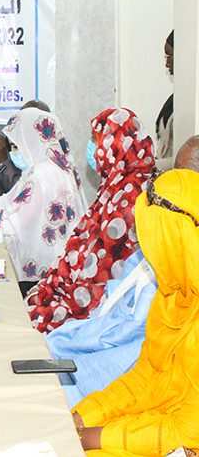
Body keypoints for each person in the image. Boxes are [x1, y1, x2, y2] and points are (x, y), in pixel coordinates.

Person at [47, 135, 199, 408]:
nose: (168, 182)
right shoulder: (160, 235)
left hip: (114, 372)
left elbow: (130, 349)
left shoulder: (175, 251)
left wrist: (64, 344)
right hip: (108, 364)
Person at [71, 169, 199, 456]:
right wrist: (84, 417)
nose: (152, 257)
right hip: (171, 424)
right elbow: (145, 377)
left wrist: (97, 437)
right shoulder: (174, 296)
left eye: (156, 245)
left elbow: (188, 433)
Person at [26, 108, 155, 332]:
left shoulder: (131, 197)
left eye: (95, 139)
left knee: (34, 317)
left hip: (97, 304)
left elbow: (103, 272)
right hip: (84, 287)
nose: (93, 148)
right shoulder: (118, 185)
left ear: (115, 144)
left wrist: (58, 292)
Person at [0, 108, 87, 284]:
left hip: (48, 273)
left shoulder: (43, 175)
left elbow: (14, 221)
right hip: (58, 262)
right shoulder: (50, 166)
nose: (13, 152)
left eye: (16, 145)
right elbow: (10, 199)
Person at [0, 100, 51, 195]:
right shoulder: (18, 147)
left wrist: (3, 160)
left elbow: (23, 195)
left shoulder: (49, 160)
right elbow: (0, 190)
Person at [155, 30, 174, 162]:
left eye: (169, 56)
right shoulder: (173, 100)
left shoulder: (191, 102)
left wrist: (154, 167)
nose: (166, 63)